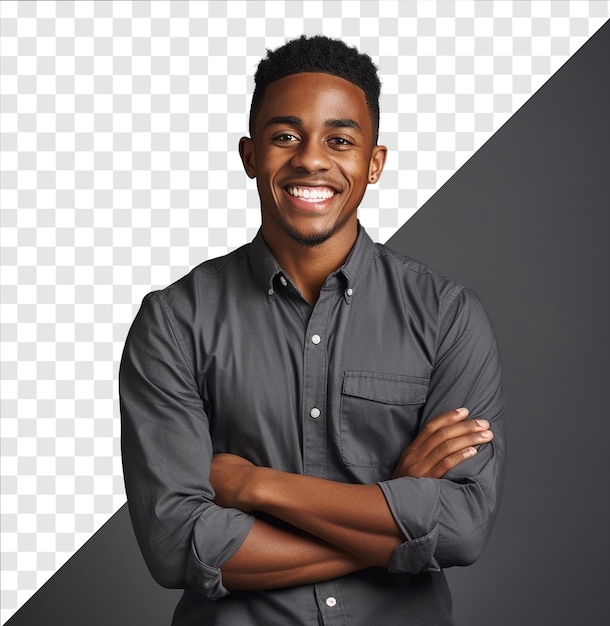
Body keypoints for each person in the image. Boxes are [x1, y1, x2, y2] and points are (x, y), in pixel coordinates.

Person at [120, 35, 505, 625]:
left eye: (340, 140)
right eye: (285, 136)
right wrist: (392, 508)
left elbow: (462, 529)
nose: (311, 160)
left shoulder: (447, 315)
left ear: (373, 163)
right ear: (250, 156)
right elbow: (177, 545)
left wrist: (253, 486)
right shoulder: (174, 322)